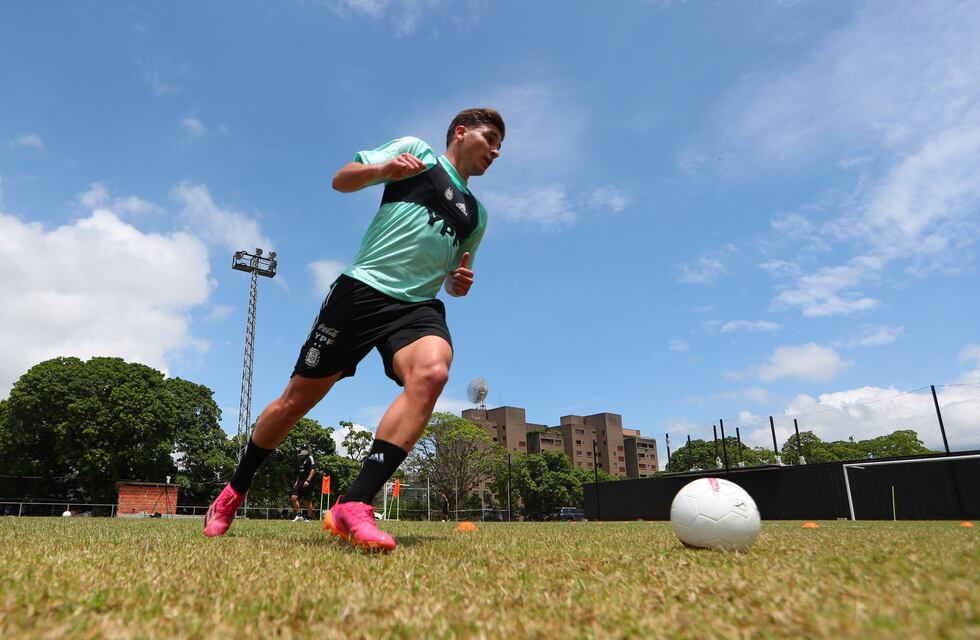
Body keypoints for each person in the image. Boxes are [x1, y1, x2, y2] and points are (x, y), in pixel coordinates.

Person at [204, 108, 505, 552]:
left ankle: (355, 502)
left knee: (433, 372)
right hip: (362, 292)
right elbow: (342, 179)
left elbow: (452, 278)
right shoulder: (417, 153)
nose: (496, 151)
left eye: (500, 146)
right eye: (490, 138)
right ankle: (234, 489)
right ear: (461, 132)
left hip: (417, 307)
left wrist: (456, 284)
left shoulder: (476, 215)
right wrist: (383, 170)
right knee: (295, 402)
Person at [290, 446, 317, 521]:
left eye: (305, 449)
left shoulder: (310, 458)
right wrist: (296, 482)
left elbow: (313, 470)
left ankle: (309, 518)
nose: (304, 450)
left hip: (308, 482)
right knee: (293, 497)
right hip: (300, 482)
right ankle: (299, 515)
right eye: (302, 449)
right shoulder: (300, 459)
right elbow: (299, 472)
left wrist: (308, 480)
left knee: (307, 501)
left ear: (308, 450)